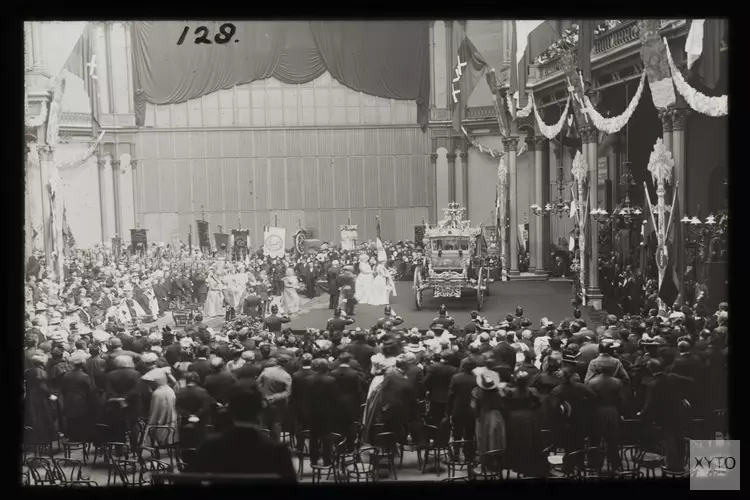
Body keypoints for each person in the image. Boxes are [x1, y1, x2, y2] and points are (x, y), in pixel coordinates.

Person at [187, 382, 297, 481]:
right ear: (260, 413)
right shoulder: (278, 451)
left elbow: (187, 479)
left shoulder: (210, 447)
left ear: (230, 412)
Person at [504, 369, 546, 477]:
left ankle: (516, 464)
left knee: (515, 441)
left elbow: (505, 404)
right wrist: (532, 409)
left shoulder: (510, 391)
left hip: (514, 419)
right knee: (530, 442)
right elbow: (539, 403)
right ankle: (529, 465)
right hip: (529, 418)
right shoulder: (532, 391)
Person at [470, 369, 508, 468]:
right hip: (497, 416)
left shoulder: (477, 392)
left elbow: (473, 407)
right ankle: (497, 460)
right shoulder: (500, 392)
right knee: (497, 439)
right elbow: (504, 405)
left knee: (483, 438)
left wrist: (477, 414)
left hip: (483, 416)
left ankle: (486, 461)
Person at [448, 356, 481, 462]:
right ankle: (468, 455)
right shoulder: (477, 379)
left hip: (458, 409)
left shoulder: (456, 378)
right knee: (469, 434)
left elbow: (451, 395)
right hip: (472, 410)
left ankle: (456, 454)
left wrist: (449, 409)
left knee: (457, 432)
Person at [142, 368, 180, 448]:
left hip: (160, 424)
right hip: (171, 422)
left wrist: (150, 425)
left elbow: (154, 412)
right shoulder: (169, 390)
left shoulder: (157, 393)